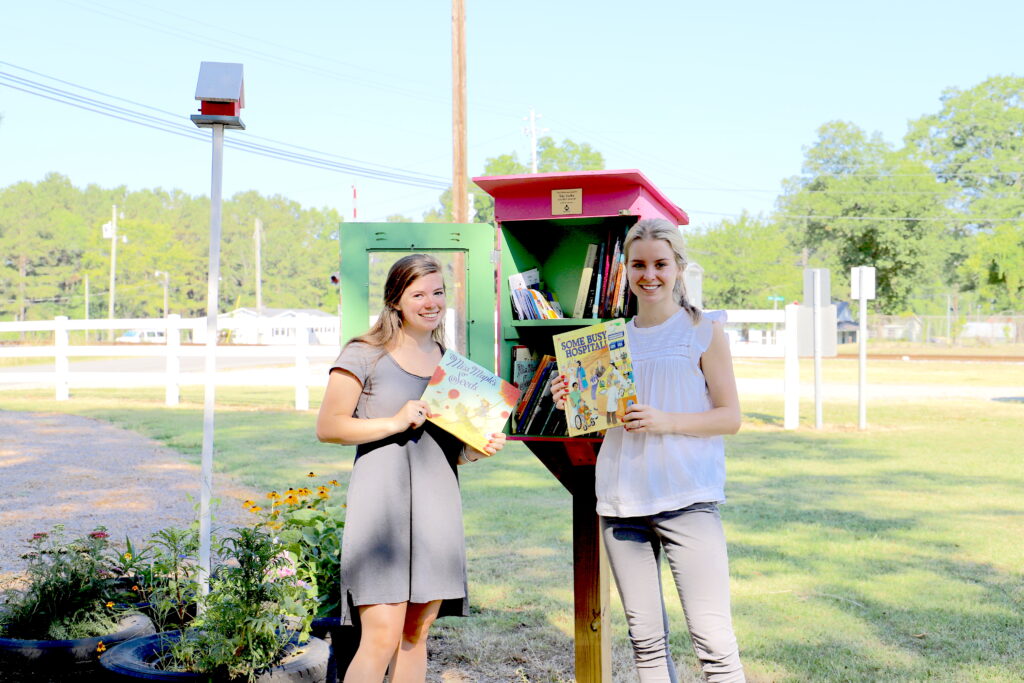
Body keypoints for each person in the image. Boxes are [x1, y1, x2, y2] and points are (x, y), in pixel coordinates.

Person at [553, 218, 745, 682]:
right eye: (638, 264)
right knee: (647, 646)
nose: (650, 274)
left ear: (678, 267)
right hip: (622, 503)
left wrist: (667, 421)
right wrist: (569, 401)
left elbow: (730, 417)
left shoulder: (703, 331)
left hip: (688, 500)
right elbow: (591, 424)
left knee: (714, 643)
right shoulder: (606, 341)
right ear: (626, 270)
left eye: (661, 263)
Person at [316, 254, 506, 683]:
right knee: (380, 637)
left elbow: (450, 450)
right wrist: (394, 422)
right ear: (396, 299)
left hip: (437, 510)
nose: (431, 302)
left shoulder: (450, 364)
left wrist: (478, 449)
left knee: (415, 634)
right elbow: (328, 426)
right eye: (418, 294)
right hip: (380, 510)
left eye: (438, 292)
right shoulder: (364, 353)